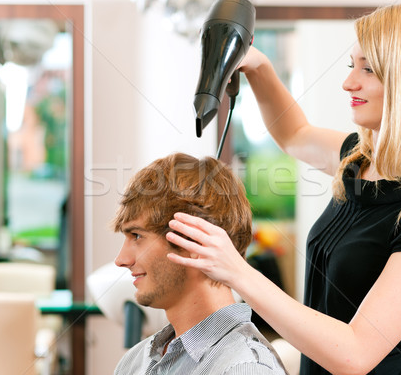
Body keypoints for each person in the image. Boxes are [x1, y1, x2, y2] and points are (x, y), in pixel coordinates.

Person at [166, 2, 401, 375]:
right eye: (353, 66)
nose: (350, 82)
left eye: (369, 69)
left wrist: (236, 271)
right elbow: (293, 133)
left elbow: (355, 354)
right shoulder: (357, 160)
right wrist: (258, 64)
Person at [111, 152, 288, 375]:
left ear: (193, 241)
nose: (121, 260)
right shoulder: (133, 363)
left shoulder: (244, 368)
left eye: (137, 236)